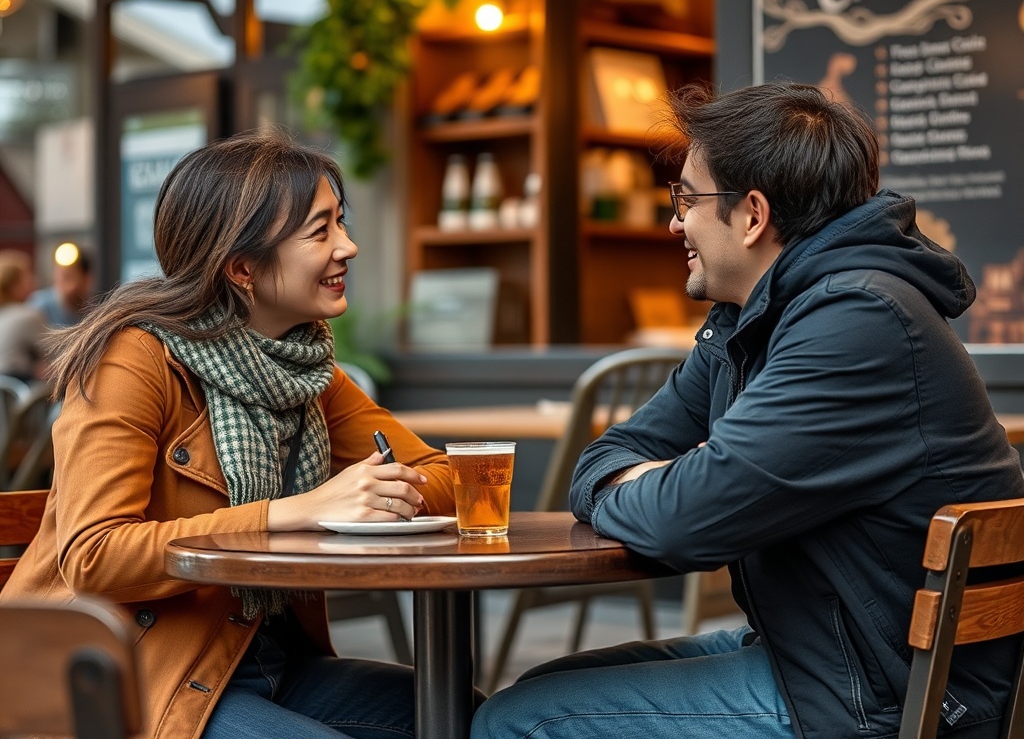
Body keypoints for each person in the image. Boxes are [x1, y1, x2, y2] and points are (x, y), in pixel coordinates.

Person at [472, 82, 1024, 739]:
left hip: (897, 695)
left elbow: (685, 521)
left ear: (753, 214)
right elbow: (605, 459)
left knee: (520, 721)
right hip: (834, 654)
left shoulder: (858, 322)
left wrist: (677, 479)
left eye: (687, 199)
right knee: (543, 688)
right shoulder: (752, 319)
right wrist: (665, 476)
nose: (674, 222)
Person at [1, 129, 458, 739]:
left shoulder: (303, 369)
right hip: (134, 678)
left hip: (266, 659)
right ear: (242, 267)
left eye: (340, 223)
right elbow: (94, 556)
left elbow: (441, 474)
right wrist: (298, 512)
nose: (348, 246)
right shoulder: (135, 359)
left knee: (463, 716)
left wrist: (382, 497)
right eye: (320, 232)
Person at [0, 249, 47, 383]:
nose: (34, 280)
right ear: (13, 285)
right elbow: (55, 354)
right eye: (28, 275)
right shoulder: (27, 315)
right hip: (18, 397)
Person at [29, 243, 95, 328]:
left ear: (86, 279)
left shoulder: (92, 310)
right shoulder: (39, 306)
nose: (63, 285)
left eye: (68, 278)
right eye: (59, 277)